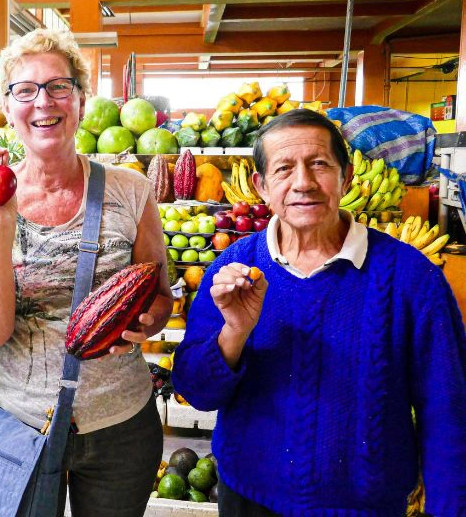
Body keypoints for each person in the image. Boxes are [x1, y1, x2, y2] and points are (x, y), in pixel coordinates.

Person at [172, 109, 466, 516]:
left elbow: (448, 411)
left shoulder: (411, 278)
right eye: (284, 168)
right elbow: (198, 393)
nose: (303, 183)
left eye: (319, 165)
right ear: (261, 186)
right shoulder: (232, 269)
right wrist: (234, 333)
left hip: (368, 506)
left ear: (345, 177)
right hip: (248, 499)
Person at [0, 29, 173, 517]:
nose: (42, 102)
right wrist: (0, 220)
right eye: (24, 90)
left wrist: (146, 323)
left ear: (80, 98)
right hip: (15, 421)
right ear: (7, 108)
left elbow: (159, 295)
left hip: (119, 421)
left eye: (58, 86)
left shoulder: (130, 189)